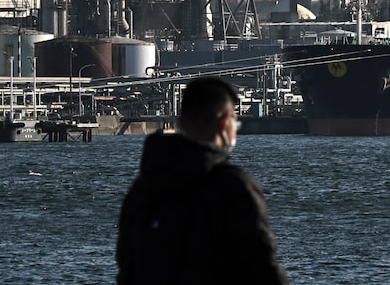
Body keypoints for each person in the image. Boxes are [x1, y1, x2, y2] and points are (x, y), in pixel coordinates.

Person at [116, 76, 289, 284]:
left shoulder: (143, 189)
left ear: (181, 121)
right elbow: (263, 266)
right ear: (224, 122)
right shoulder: (233, 186)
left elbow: (125, 259)